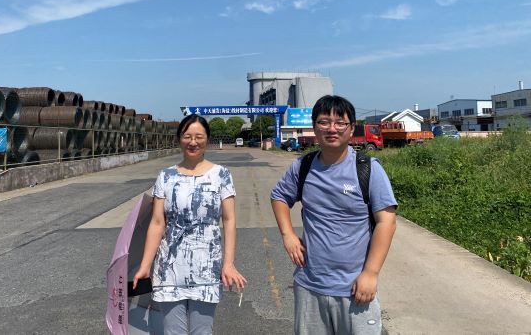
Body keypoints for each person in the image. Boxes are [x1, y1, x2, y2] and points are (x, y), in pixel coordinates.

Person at [271, 95, 397, 335]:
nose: (332, 129)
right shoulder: (302, 167)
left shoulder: (368, 169)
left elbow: (387, 222)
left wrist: (370, 273)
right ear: (314, 127)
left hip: (356, 288)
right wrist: (288, 235)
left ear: (351, 128)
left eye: (340, 123)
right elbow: (279, 197)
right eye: (324, 122)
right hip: (309, 285)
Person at [133, 114, 247, 335]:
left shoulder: (221, 175)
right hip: (169, 269)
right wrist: (145, 265)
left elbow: (229, 220)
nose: (193, 142)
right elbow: (157, 222)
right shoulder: (165, 176)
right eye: (187, 136)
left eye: (199, 137)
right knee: (172, 332)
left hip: (207, 268)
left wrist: (228, 263)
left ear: (207, 139)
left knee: (201, 331)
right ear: (179, 139)